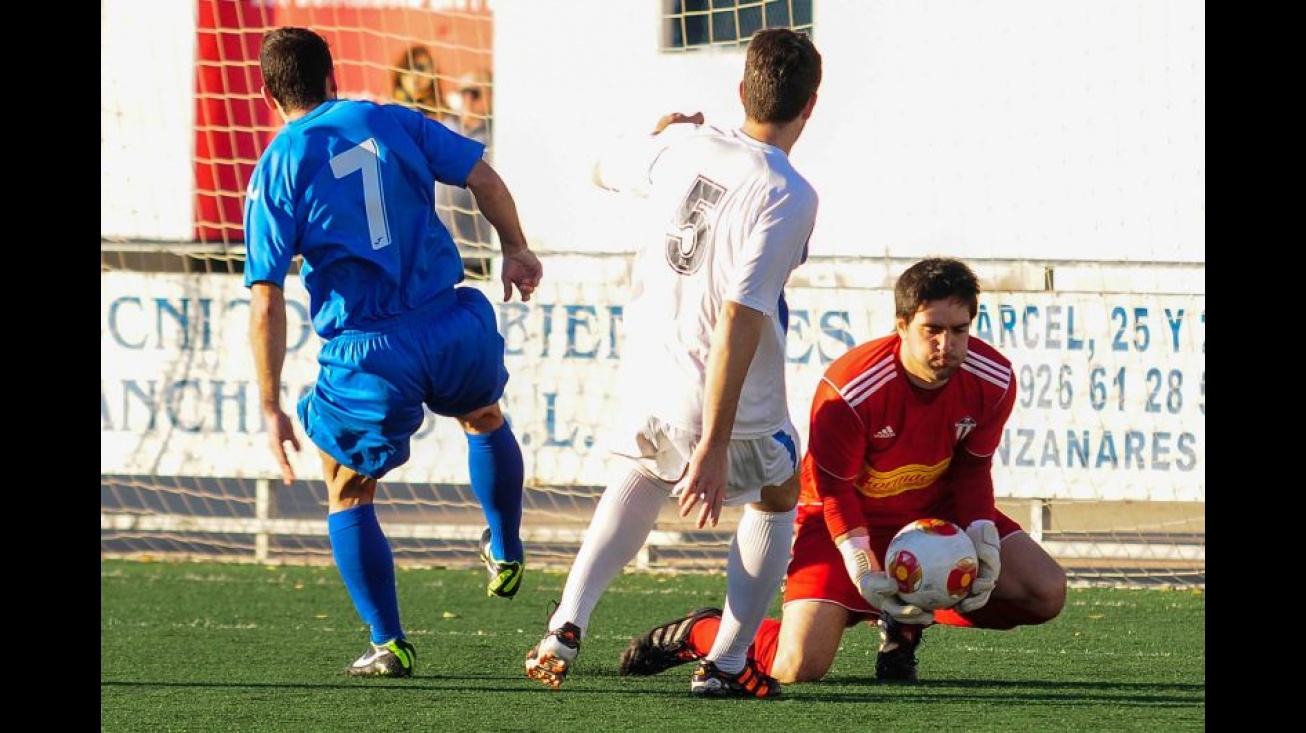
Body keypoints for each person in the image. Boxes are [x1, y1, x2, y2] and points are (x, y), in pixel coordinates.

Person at [523, 28, 822, 699]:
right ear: (812, 105)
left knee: (642, 474)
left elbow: (603, 167)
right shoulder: (788, 193)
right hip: (720, 400)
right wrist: (715, 443)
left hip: (649, 380)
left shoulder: (685, 143)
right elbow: (741, 317)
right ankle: (727, 660)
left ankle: (566, 624)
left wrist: (659, 135)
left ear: (742, 91)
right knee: (779, 492)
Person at [242, 27, 544, 679]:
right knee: (484, 415)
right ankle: (507, 540)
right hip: (451, 319)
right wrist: (515, 247)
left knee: (347, 490)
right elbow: (481, 177)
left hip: (371, 350)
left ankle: (391, 641)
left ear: (268, 94)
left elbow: (266, 296)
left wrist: (269, 403)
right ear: (333, 77)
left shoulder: (280, 162)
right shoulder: (388, 117)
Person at [617, 257, 1069, 685]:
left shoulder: (993, 378)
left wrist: (981, 536)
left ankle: (905, 614)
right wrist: (861, 563)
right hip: (842, 520)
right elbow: (834, 491)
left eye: (959, 330)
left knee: (1045, 591)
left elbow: (972, 470)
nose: (946, 346)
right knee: (796, 665)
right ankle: (702, 630)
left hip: (934, 517)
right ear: (902, 326)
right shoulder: (850, 389)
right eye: (932, 330)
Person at [437, 69, 495, 278]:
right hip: (441, 254)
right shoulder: (444, 130)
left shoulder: (497, 138)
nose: (469, 100)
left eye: (476, 93)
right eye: (464, 93)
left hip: (478, 257)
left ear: (491, 96)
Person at [389, 44, 447, 120]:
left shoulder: (444, 111)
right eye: (408, 68)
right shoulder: (389, 108)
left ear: (432, 71)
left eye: (420, 68)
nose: (415, 74)